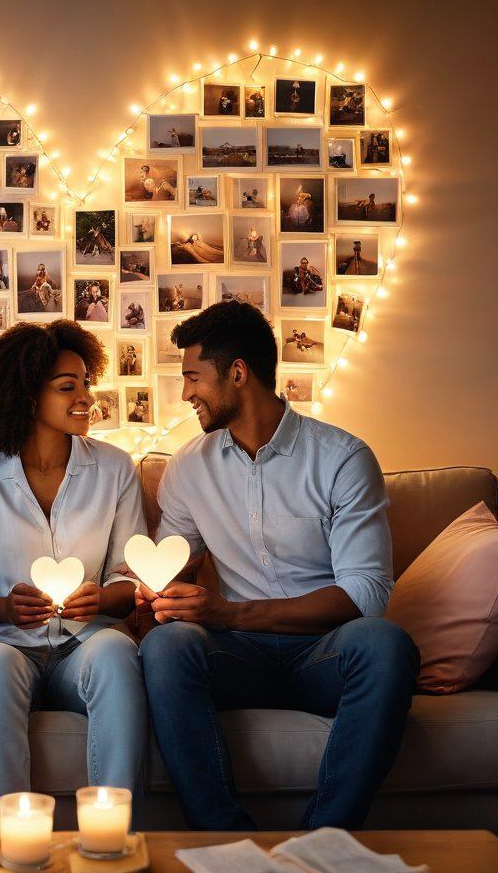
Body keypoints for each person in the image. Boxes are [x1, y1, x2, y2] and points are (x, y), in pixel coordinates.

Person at [133, 301, 418, 831]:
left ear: (237, 373)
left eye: (193, 377)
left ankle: (324, 842)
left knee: (386, 643)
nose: (186, 393)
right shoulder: (187, 467)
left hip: (325, 652)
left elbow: (365, 594)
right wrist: (159, 591)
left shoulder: (342, 459)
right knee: (167, 646)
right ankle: (224, 843)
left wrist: (230, 614)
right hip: (237, 660)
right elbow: (174, 559)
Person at [0, 321, 149, 823]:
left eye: (85, 383)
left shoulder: (116, 468)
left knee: (118, 651)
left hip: (83, 644)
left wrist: (102, 599)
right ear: (27, 396)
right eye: (67, 386)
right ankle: (11, 836)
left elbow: (130, 575)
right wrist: (5, 607)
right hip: (2, 645)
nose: (85, 397)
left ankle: (113, 834)